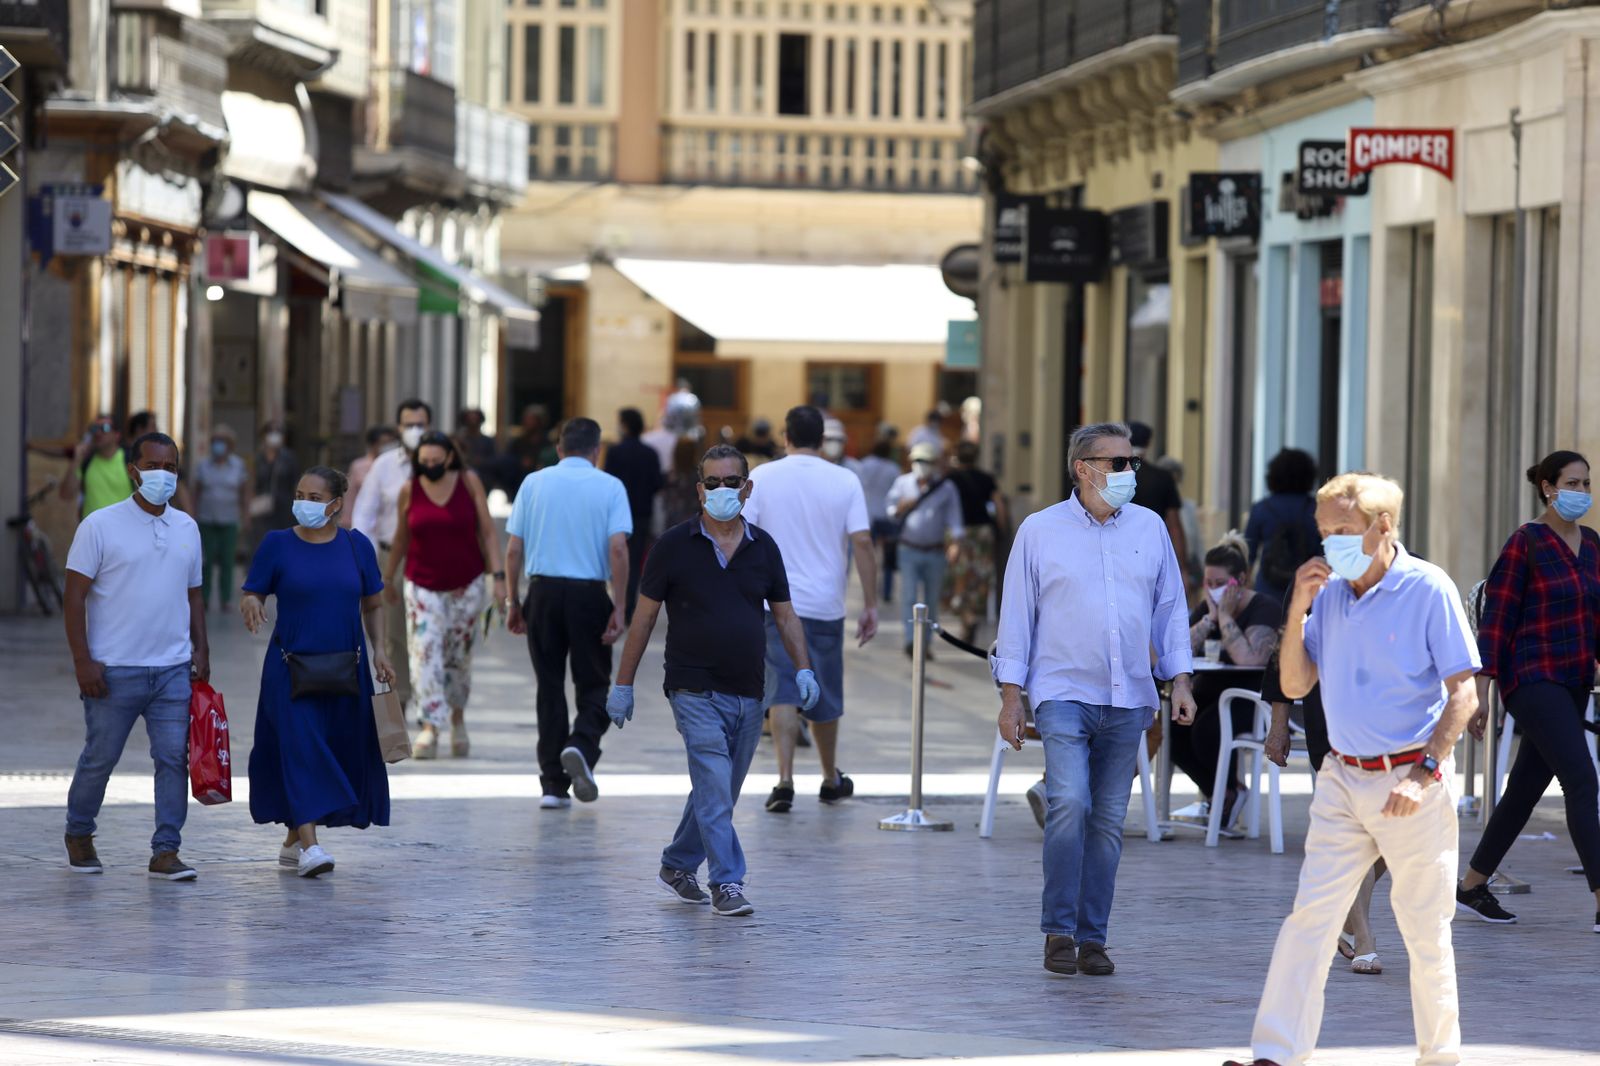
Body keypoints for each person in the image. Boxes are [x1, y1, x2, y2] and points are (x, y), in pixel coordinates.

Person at [1225, 472, 1479, 1066]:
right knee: (1310, 919)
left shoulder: (1428, 588)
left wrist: (1423, 774)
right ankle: (1276, 1053)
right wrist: (1297, 607)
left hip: (1410, 780)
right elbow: (1293, 682)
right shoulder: (1330, 595)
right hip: (1341, 777)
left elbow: (1463, 696)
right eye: (1324, 532)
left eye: (1343, 530)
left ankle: (1440, 1057)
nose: (1330, 544)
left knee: (1424, 931)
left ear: (1382, 527)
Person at [994, 422, 1195, 978]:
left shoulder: (1151, 528)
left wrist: (1179, 680)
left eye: (1133, 463)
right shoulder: (1039, 530)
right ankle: (1058, 930)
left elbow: (1170, 609)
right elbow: (1017, 616)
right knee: (1070, 804)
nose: (1131, 473)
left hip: (1129, 695)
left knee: (1107, 819)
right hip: (1062, 691)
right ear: (1083, 469)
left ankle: (1093, 939)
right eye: (1119, 463)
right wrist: (1012, 698)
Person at [608, 443, 819, 917]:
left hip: (748, 688)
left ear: (747, 488)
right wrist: (622, 684)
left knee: (717, 789)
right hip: (691, 686)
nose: (722, 489)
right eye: (713, 482)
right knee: (712, 778)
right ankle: (728, 882)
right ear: (699, 489)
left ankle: (677, 863)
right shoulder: (672, 546)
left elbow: (785, 617)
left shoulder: (764, 548)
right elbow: (642, 620)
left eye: (731, 482)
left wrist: (804, 668)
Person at [1458, 449, 1600, 931]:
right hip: (1533, 678)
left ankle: (1472, 884)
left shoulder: (1594, 545)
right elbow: (1496, 622)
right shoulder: (1527, 542)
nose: (1581, 492)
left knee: (1523, 790)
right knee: (1582, 780)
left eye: (1586, 484)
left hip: (1575, 678)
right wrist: (1480, 693)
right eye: (1572, 483)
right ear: (1547, 486)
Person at [62, 432, 209, 880]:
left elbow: (195, 596)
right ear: (133, 470)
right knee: (100, 758)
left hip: (172, 671)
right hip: (113, 671)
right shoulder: (99, 526)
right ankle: (79, 831)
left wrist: (201, 648)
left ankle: (166, 850)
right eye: (153, 466)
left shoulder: (187, 527)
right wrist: (83, 662)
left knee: (172, 760)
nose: (162, 475)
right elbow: (73, 598)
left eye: (170, 467)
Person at [240, 466, 394, 878]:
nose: (303, 503)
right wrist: (252, 602)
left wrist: (381, 651)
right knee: (300, 748)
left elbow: (374, 603)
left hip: (347, 670)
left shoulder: (356, 546)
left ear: (336, 504)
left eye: (314, 497)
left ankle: (293, 837)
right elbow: (252, 589)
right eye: (299, 494)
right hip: (289, 671)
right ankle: (311, 847)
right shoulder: (276, 544)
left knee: (335, 750)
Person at [744, 405, 879, 813]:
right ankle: (828, 776)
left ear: (785, 437)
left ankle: (784, 780)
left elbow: (744, 535)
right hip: (824, 605)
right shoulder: (844, 480)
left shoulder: (762, 477)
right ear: (823, 440)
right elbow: (862, 542)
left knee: (782, 689)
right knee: (824, 690)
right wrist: (870, 603)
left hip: (775, 602)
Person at [504, 417, 631, 808]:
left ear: (559, 449)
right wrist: (620, 605)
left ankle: (553, 787)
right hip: (588, 594)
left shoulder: (534, 483)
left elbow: (512, 550)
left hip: (542, 592)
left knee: (549, 686)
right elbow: (618, 550)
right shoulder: (610, 486)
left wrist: (514, 600)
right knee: (594, 683)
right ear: (597, 450)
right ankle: (581, 743)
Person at [383, 431, 506, 760]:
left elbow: (488, 533)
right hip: (422, 585)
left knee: (457, 656)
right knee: (424, 653)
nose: (430, 467)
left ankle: (457, 718)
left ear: (450, 457)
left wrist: (499, 577)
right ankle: (430, 726)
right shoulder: (410, 489)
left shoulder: (469, 482)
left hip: (467, 583)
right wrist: (386, 578)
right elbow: (400, 538)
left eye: (436, 461)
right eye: (424, 462)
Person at [1171, 534, 1280, 825]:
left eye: (1220, 584)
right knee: (1176, 728)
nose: (1213, 590)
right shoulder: (1208, 609)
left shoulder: (1264, 608)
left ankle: (1228, 792)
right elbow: (1179, 648)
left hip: (1250, 698)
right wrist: (1209, 619)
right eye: (1209, 583)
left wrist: (1227, 617)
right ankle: (1220, 793)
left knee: (1207, 729)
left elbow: (1250, 659)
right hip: (1211, 693)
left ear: (1240, 580)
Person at [352, 399, 433, 713]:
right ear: (399, 428)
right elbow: (364, 515)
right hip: (391, 560)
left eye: (420, 423)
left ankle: (432, 702)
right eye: (408, 424)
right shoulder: (384, 466)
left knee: (430, 635)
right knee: (394, 635)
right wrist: (368, 561)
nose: (415, 430)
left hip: (431, 560)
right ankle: (398, 702)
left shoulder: (442, 463)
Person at [887, 442, 963, 655]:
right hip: (908, 549)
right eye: (918, 461)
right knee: (909, 596)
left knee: (931, 600)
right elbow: (890, 510)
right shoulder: (902, 483)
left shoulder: (946, 488)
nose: (922, 465)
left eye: (927, 461)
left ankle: (926, 643)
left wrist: (956, 543)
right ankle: (911, 640)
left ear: (936, 464)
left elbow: (955, 519)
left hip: (935, 551)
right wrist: (899, 508)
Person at [604, 407, 665, 621]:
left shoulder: (615, 452)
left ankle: (616, 604)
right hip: (641, 513)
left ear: (625, 425)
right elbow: (658, 483)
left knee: (615, 556)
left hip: (617, 514)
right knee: (635, 560)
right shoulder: (650, 453)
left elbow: (608, 483)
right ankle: (628, 607)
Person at [947, 440, 1010, 643]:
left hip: (959, 531)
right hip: (983, 531)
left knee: (960, 574)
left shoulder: (951, 479)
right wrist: (1002, 530)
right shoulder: (986, 478)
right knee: (982, 573)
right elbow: (998, 503)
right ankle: (974, 613)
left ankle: (965, 616)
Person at [1245, 447, 1322, 604]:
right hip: (1310, 587)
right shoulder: (1316, 508)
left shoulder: (1261, 509)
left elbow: (1248, 556)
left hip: (1268, 589)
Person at [191, 425, 251, 613]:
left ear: (230, 445)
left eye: (222, 442)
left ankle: (226, 599)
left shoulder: (238, 465)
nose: (219, 445)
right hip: (206, 518)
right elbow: (196, 492)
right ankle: (205, 598)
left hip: (229, 519)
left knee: (227, 561)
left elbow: (244, 492)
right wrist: (192, 514)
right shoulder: (203, 466)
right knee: (206, 561)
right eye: (215, 441)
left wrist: (246, 514)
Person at [1126, 422, 1188, 587]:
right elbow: (1175, 527)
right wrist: (1182, 568)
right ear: (1148, 444)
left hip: (1122, 551)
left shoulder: (1115, 477)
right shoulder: (1163, 477)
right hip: (1154, 551)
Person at [852, 440, 902, 603]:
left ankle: (870, 589)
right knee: (888, 559)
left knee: (868, 555)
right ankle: (887, 591)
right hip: (887, 516)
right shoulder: (893, 468)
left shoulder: (865, 464)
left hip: (868, 515)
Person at [60, 414, 132, 518]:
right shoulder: (86, 461)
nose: (98, 433)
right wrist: (76, 459)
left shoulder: (130, 460)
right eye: (94, 428)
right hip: (92, 532)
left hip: (122, 531)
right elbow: (66, 495)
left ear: (117, 435)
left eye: (105, 428)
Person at [1155, 455, 1201, 582]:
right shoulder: (1155, 511)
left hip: (1188, 565)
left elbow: (1196, 541)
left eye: (1176, 481)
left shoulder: (1189, 507)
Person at [344, 425, 398, 528]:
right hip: (365, 523)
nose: (388, 446)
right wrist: (348, 522)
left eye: (391, 442)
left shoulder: (395, 466)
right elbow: (350, 496)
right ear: (373, 444)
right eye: (384, 443)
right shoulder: (359, 466)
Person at [253, 421, 298, 535]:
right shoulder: (259, 459)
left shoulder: (288, 458)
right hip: (263, 507)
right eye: (270, 432)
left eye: (278, 432)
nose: (274, 435)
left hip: (284, 506)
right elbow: (253, 482)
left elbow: (295, 483)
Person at [660, 435, 704, 530]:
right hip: (694, 520)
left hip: (673, 521)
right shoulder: (700, 476)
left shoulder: (669, 476)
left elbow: (665, 500)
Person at [454, 408, 499, 492]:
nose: (472, 422)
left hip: (484, 479)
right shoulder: (459, 440)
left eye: (475, 419)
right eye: (469, 419)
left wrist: (482, 461)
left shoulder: (488, 441)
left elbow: (495, 460)